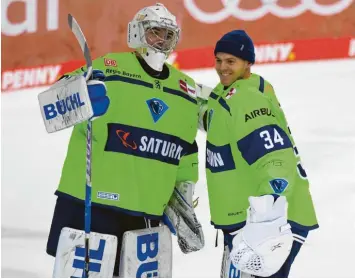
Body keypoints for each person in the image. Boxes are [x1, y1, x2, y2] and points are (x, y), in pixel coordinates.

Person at [46, 3, 204, 277]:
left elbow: (186, 148)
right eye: (155, 32)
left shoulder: (185, 90)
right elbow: (52, 105)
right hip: (92, 203)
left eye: (168, 35)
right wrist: (81, 96)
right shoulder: (109, 67)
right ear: (136, 33)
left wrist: (183, 197)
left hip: (145, 211)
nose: (161, 41)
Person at [199, 30, 319, 278]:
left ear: (248, 63)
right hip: (251, 216)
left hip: (270, 220)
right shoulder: (233, 93)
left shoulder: (245, 99)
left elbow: (274, 158)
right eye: (219, 60)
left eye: (231, 61)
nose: (222, 67)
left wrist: (268, 219)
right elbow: (215, 113)